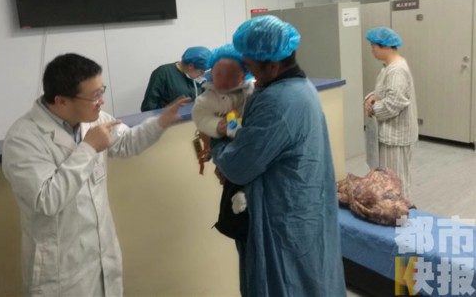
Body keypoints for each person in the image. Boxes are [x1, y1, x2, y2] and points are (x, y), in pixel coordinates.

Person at [2, 53, 189, 297]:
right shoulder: (23, 139)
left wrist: (160, 121)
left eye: (102, 91)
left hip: (101, 254)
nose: (101, 101)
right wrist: (88, 149)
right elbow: (46, 200)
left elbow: (127, 143)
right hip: (60, 269)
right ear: (61, 101)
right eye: (94, 96)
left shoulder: (94, 119)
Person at [210, 15, 346, 296]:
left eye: (250, 67)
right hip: (301, 206)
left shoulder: (278, 101)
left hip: (282, 216)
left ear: (272, 65)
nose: (247, 74)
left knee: (284, 282)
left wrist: (216, 139)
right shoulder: (299, 88)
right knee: (311, 279)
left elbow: (238, 167)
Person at [191, 44, 254, 238]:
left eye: (231, 75)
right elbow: (200, 116)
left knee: (250, 164)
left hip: (246, 141)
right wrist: (217, 126)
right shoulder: (209, 96)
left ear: (242, 76)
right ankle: (237, 190)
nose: (224, 80)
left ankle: (244, 192)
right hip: (224, 140)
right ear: (211, 73)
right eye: (218, 74)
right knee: (230, 166)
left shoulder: (251, 91)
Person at [364, 27, 418, 199]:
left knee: (395, 181)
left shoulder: (396, 71)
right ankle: (392, 208)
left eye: (373, 46)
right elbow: (385, 91)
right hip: (390, 133)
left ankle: (401, 211)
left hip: (395, 135)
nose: (372, 50)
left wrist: (373, 109)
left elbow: (395, 102)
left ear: (385, 46)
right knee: (388, 179)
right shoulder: (389, 68)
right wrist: (373, 97)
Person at [140, 46, 211, 111]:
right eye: (201, 71)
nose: (203, 74)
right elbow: (148, 108)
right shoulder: (163, 73)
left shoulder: (197, 78)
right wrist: (169, 109)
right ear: (190, 66)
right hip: (167, 119)